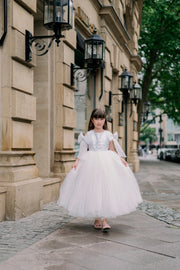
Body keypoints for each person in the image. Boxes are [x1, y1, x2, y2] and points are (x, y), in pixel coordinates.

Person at [57, 108, 143, 232]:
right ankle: (97, 218)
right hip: (90, 163)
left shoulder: (108, 134)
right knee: (93, 189)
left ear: (104, 120)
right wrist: (77, 162)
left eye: (101, 119)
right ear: (92, 120)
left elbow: (111, 149)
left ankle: (105, 220)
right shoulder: (88, 134)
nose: (99, 121)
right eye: (96, 118)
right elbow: (82, 150)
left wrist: (120, 159)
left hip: (106, 163)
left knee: (106, 188)